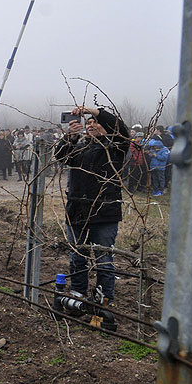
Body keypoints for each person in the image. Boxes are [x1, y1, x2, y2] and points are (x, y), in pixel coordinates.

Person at [54, 105, 130, 309]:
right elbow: (60, 156)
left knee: (103, 258)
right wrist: (70, 136)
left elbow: (121, 129)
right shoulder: (79, 146)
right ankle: (78, 293)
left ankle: (104, 299)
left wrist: (93, 111)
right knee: (77, 256)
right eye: (88, 123)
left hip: (104, 212)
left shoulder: (115, 147)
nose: (91, 125)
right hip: (77, 210)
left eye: (95, 122)